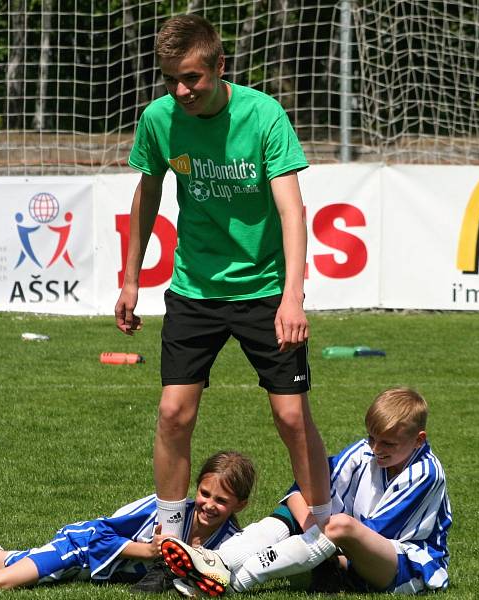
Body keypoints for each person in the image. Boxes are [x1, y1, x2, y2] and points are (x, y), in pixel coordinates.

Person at [113, 12, 331, 569]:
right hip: (194, 288)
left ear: (219, 66)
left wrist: (292, 296)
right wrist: (131, 280)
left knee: (289, 415)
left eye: (192, 78)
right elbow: (146, 198)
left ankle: (327, 538)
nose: (180, 91)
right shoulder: (159, 120)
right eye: (170, 80)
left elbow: (291, 209)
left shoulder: (264, 116)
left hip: (263, 291)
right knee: (173, 413)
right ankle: (170, 550)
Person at [161, 387, 453, 596]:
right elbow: (303, 490)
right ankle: (220, 561)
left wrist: (320, 543)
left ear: (418, 440)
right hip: (342, 547)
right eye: (372, 438)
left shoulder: (425, 473)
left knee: (340, 526)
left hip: (404, 565)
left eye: (388, 443)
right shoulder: (364, 451)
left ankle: (236, 580)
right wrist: (309, 527)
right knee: (300, 505)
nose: (376, 449)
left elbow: (374, 533)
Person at [0, 451, 255, 592]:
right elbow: (100, 530)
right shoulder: (167, 508)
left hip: (89, 572)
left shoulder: (230, 540)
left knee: (1, 560)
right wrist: (146, 550)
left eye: (221, 500)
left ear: (240, 504)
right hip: (78, 549)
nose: (208, 505)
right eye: (205, 493)